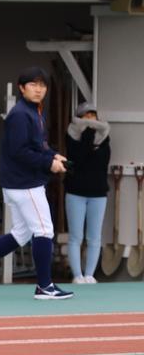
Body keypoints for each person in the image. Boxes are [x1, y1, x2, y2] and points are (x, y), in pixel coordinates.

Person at [0, 67, 71, 300]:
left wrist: (53, 155)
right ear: (22, 88)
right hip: (25, 184)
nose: (39, 89)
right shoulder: (21, 114)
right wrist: (48, 163)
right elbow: (19, 152)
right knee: (44, 230)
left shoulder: (33, 111)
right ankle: (44, 286)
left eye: (42, 85)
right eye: (33, 84)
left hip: (18, 184)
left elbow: (38, 144)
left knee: (21, 234)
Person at [64, 102, 111, 284]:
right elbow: (79, 159)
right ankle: (77, 275)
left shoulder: (104, 136)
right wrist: (89, 137)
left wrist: (92, 142)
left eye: (93, 115)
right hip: (75, 191)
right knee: (76, 236)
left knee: (94, 236)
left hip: (98, 193)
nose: (90, 118)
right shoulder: (72, 135)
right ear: (79, 118)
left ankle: (90, 274)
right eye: (86, 115)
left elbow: (102, 161)